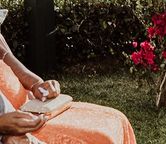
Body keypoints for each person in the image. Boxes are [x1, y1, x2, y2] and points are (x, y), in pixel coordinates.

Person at [0, 33, 136, 144]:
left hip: (31, 107)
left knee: (115, 119)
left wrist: (37, 85)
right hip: (15, 120)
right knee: (100, 138)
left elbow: (7, 59)